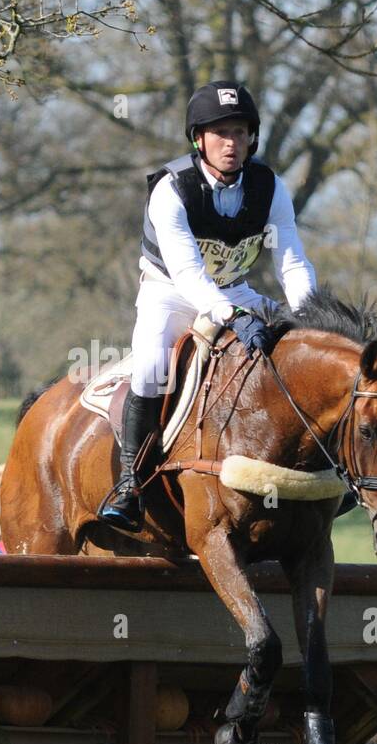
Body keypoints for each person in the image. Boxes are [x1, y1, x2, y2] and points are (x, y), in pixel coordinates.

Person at [97, 80, 317, 532]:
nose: (231, 144)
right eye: (220, 133)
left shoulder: (270, 188)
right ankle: (130, 484)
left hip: (234, 288)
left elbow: (292, 262)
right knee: (153, 366)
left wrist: (308, 316)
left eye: (239, 133)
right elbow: (188, 275)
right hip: (170, 291)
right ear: (199, 139)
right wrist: (234, 317)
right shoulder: (172, 189)